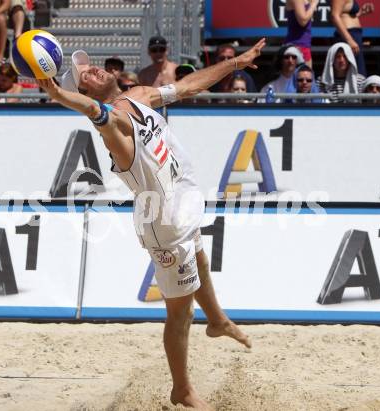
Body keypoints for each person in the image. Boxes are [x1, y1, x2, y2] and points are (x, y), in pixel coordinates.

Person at [40, 37, 266, 410]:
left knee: (201, 258)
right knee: (179, 312)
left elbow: (190, 85)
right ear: (84, 93)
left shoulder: (139, 95)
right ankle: (183, 390)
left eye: (88, 64)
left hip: (183, 199)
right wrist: (62, 96)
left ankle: (217, 319)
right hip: (164, 223)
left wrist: (236, 63)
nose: (92, 69)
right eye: (84, 77)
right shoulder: (113, 126)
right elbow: (94, 113)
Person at [331, 0, 374, 76]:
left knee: (357, 72)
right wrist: (349, 40)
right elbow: (334, 16)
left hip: (353, 35)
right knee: (350, 72)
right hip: (348, 36)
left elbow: (345, 15)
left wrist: (360, 12)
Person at [284, 0, 319, 66]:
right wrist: (314, 4)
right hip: (296, 47)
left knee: (307, 75)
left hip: (305, 45)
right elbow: (303, 21)